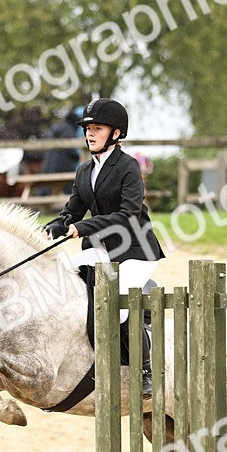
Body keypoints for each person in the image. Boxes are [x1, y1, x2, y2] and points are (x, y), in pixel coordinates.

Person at [43, 98, 164, 395]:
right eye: (88, 128)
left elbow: (128, 214)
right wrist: (56, 225)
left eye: (97, 128)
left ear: (116, 133)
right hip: (102, 249)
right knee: (62, 275)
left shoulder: (128, 167)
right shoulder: (85, 171)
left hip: (135, 250)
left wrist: (83, 228)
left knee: (119, 307)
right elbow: (73, 210)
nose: (90, 133)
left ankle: (145, 369)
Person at [36, 107, 83, 196]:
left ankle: (42, 197)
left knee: (46, 184)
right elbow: (71, 148)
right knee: (71, 183)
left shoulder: (59, 126)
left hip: (50, 162)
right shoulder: (69, 129)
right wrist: (77, 156)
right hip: (62, 164)